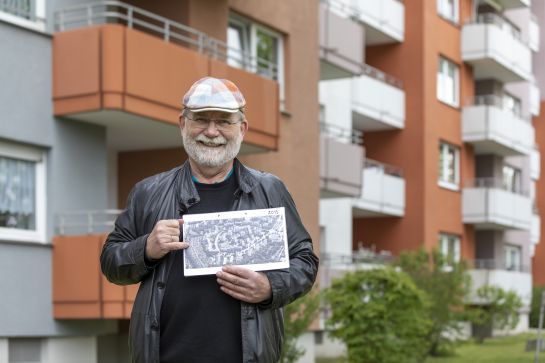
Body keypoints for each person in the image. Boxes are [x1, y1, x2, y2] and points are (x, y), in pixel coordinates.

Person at [100, 77, 319, 363]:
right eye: (201, 119)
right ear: (182, 124)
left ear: (242, 128)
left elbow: (305, 261)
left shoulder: (269, 190)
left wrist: (269, 287)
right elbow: (110, 262)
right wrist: (145, 248)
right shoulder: (148, 192)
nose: (212, 131)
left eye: (224, 122)